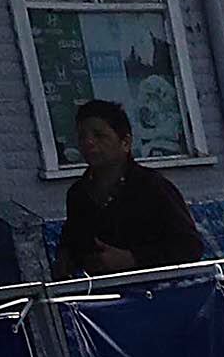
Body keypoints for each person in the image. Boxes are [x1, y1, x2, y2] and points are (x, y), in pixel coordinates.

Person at [58, 98, 204, 277]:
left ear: (125, 142)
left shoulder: (153, 187)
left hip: (155, 292)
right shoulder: (78, 194)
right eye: (82, 136)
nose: (88, 143)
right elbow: (71, 244)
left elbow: (190, 247)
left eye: (99, 135)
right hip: (101, 296)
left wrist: (132, 258)